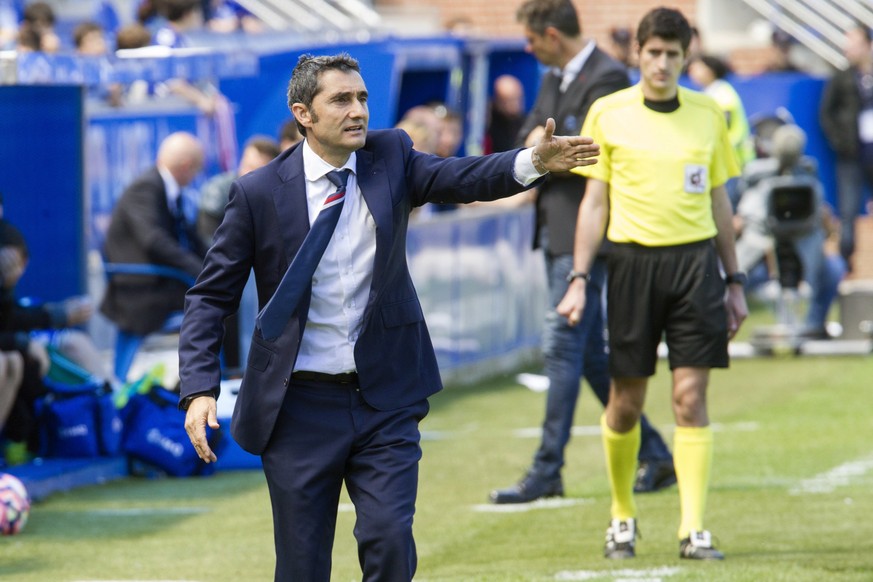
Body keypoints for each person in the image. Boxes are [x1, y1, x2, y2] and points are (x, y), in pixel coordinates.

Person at [179, 52, 599, 581]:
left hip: (385, 397)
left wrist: (533, 161)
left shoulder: (391, 155)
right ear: (302, 113)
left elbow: (460, 177)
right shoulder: (258, 192)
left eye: (362, 99)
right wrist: (199, 388)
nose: (357, 111)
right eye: (340, 100)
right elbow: (209, 296)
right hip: (296, 405)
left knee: (388, 539)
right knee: (303, 565)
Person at [557, 7, 747, 561]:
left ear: (686, 56)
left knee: (690, 398)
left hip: (695, 267)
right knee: (626, 403)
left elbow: (719, 199)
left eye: (672, 53)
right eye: (653, 52)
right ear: (637, 52)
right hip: (633, 267)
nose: (662, 63)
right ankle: (622, 516)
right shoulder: (607, 112)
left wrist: (733, 280)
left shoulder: (709, 113)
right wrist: (578, 278)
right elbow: (594, 203)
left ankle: (693, 529)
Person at [489, 0, 674, 506]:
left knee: (562, 348)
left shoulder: (607, 77)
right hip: (558, 229)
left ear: (551, 34)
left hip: (585, 237)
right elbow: (536, 142)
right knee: (590, 355)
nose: (527, 49)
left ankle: (548, 469)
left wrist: (547, 157)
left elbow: (588, 154)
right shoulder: (557, 76)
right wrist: (546, 156)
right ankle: (656, 455)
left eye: (530, 39)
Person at [100, 131, 207, 382]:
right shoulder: (147, 188)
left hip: (158, 283)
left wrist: (214, 263)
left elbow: (190, 237)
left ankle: (208, 378)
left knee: (218, 291)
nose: (194, 179)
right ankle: (208, 379)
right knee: (217, 300)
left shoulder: (165, 189)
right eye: (195, 171)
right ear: (185, 167)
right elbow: (153, 241)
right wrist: (197, 269)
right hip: (141, 291)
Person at [733, 124, 846, 338]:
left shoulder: (809, 175)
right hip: (760, 246)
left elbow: (825, 222)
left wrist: (826, 226)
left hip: (803, 244)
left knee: (833, 267)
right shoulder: (755, 178)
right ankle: (716, 329)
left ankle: (812, 326)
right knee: (723, 273)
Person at [819, 22, 873, 272]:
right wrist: (841, 142)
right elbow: (826, 114)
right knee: (848, 210)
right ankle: (846, 264)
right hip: (851, 155)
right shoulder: (841, 78)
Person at [687, 54, 755, 210]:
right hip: (722, 164)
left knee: (727, 210)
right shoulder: (711, 93)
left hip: (732, 164)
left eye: (697, 66)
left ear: (710, 70)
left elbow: (724, 129)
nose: (692, 70)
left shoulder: (722, 94)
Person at [197, 135, 281, 246]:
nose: (248, 174)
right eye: (247, 166)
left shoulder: (277, 195)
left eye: (256, 169)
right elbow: (207, 236)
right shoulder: (218, 190)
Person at [486, 74, 526, 154]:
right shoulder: (489, 122)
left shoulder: (527, 122)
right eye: (509, 100)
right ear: (498, 101)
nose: (514, 104)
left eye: (517, 98)